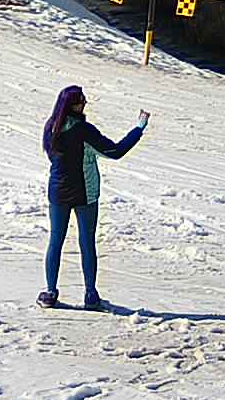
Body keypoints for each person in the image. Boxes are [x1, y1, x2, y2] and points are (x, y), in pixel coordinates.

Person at [39, 85, 145, 310]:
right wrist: (139, 128)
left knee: (55, 241)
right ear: (73, 105)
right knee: (87, 242)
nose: (85, 103)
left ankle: (50, 293)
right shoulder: (84, 130)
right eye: (82, 100)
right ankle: (90, 295)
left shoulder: (51, 127)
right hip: (85, 193)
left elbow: (53, 157)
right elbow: (115, 151)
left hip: (58, 192)